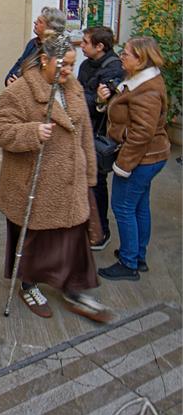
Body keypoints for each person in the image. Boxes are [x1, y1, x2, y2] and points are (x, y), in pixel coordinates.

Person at [0, 34, 111, 322]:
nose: (69, 71)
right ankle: (28, 285)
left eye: (73, 64)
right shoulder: (19, 91)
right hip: (35, 185)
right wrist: (32, 132)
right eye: (64, 64)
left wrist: (89, 175)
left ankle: (75, 288)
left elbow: (83, 133)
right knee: (35, 241)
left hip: (70, 182)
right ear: (45, 60)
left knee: (73, 239)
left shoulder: (74, 87)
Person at [96, 37, 170, 282]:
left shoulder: (147, 88)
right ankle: (137, 255)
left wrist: (123, 165)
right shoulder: (141, 80)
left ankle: (128, 263)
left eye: (126, 53)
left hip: (141, 159)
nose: (121, 56)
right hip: (149, 157)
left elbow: (141, 134)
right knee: (139, 205)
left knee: (123, 206)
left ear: (140, 59)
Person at [78, 27, 123, 251]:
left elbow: (102, 104)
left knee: (97, 182)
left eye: (86, 42)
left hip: (99, 134)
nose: (81, 45)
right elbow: (80, 95)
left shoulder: (114, 68)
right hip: (84, 128)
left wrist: (90, 99)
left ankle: (100, 230)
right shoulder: (86, 64)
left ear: (100, 47)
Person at [5, 6, 66, 85]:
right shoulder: (33, 43)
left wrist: (20, 84)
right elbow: (20, 63)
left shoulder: (55, 50)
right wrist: (9, 79)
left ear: (50, 28)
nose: (35, 22)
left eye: (40, 21)